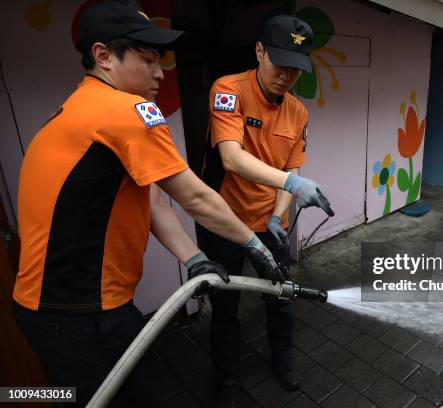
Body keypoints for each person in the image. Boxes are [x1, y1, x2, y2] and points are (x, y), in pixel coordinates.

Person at [11, 1, 280, 406]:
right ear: (103, 56)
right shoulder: (128, 111)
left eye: (161, 60)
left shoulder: (75, 108)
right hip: (80, 313)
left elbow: (153, 201)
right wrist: (254, 245)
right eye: (148, 59)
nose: (160, 72)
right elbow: (196, 198)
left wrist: (194, 258)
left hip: (49, 312)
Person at [200, 14, 334, 407]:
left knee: (280, 295)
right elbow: (232, 158)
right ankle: (225, 376)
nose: (287, 76)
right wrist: (292, 185)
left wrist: (278, 216)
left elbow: (292, 166)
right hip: (223, 221)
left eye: (297, 68)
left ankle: (284, 358)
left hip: (269, 223)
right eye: (280, 64)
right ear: (259, 51)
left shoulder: (298, 112)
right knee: (225, 303)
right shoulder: (229, 90)